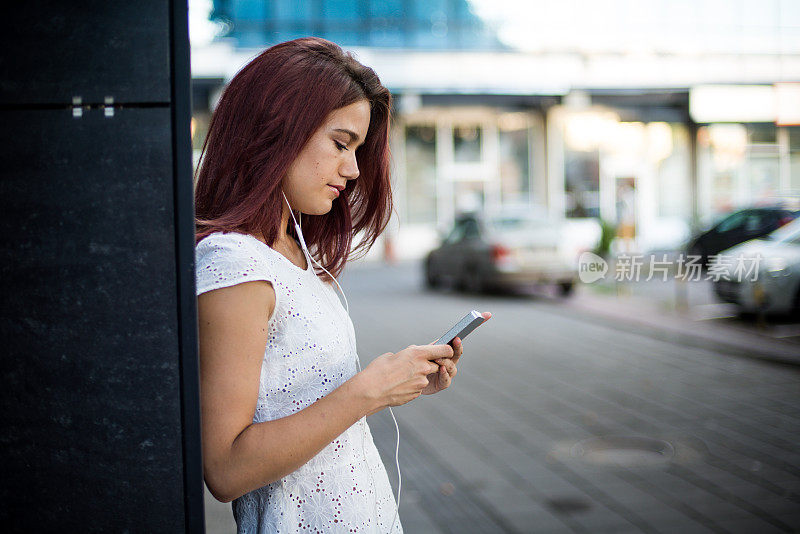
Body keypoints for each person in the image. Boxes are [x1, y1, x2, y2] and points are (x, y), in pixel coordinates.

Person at [194, 37, 490, 533]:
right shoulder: (234, 263)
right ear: (276, 130)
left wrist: (402, 379)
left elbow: (307, 402)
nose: (352, 170)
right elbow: (225, 469)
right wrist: (368, 391)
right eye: (340, 143)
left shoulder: (290, 252)